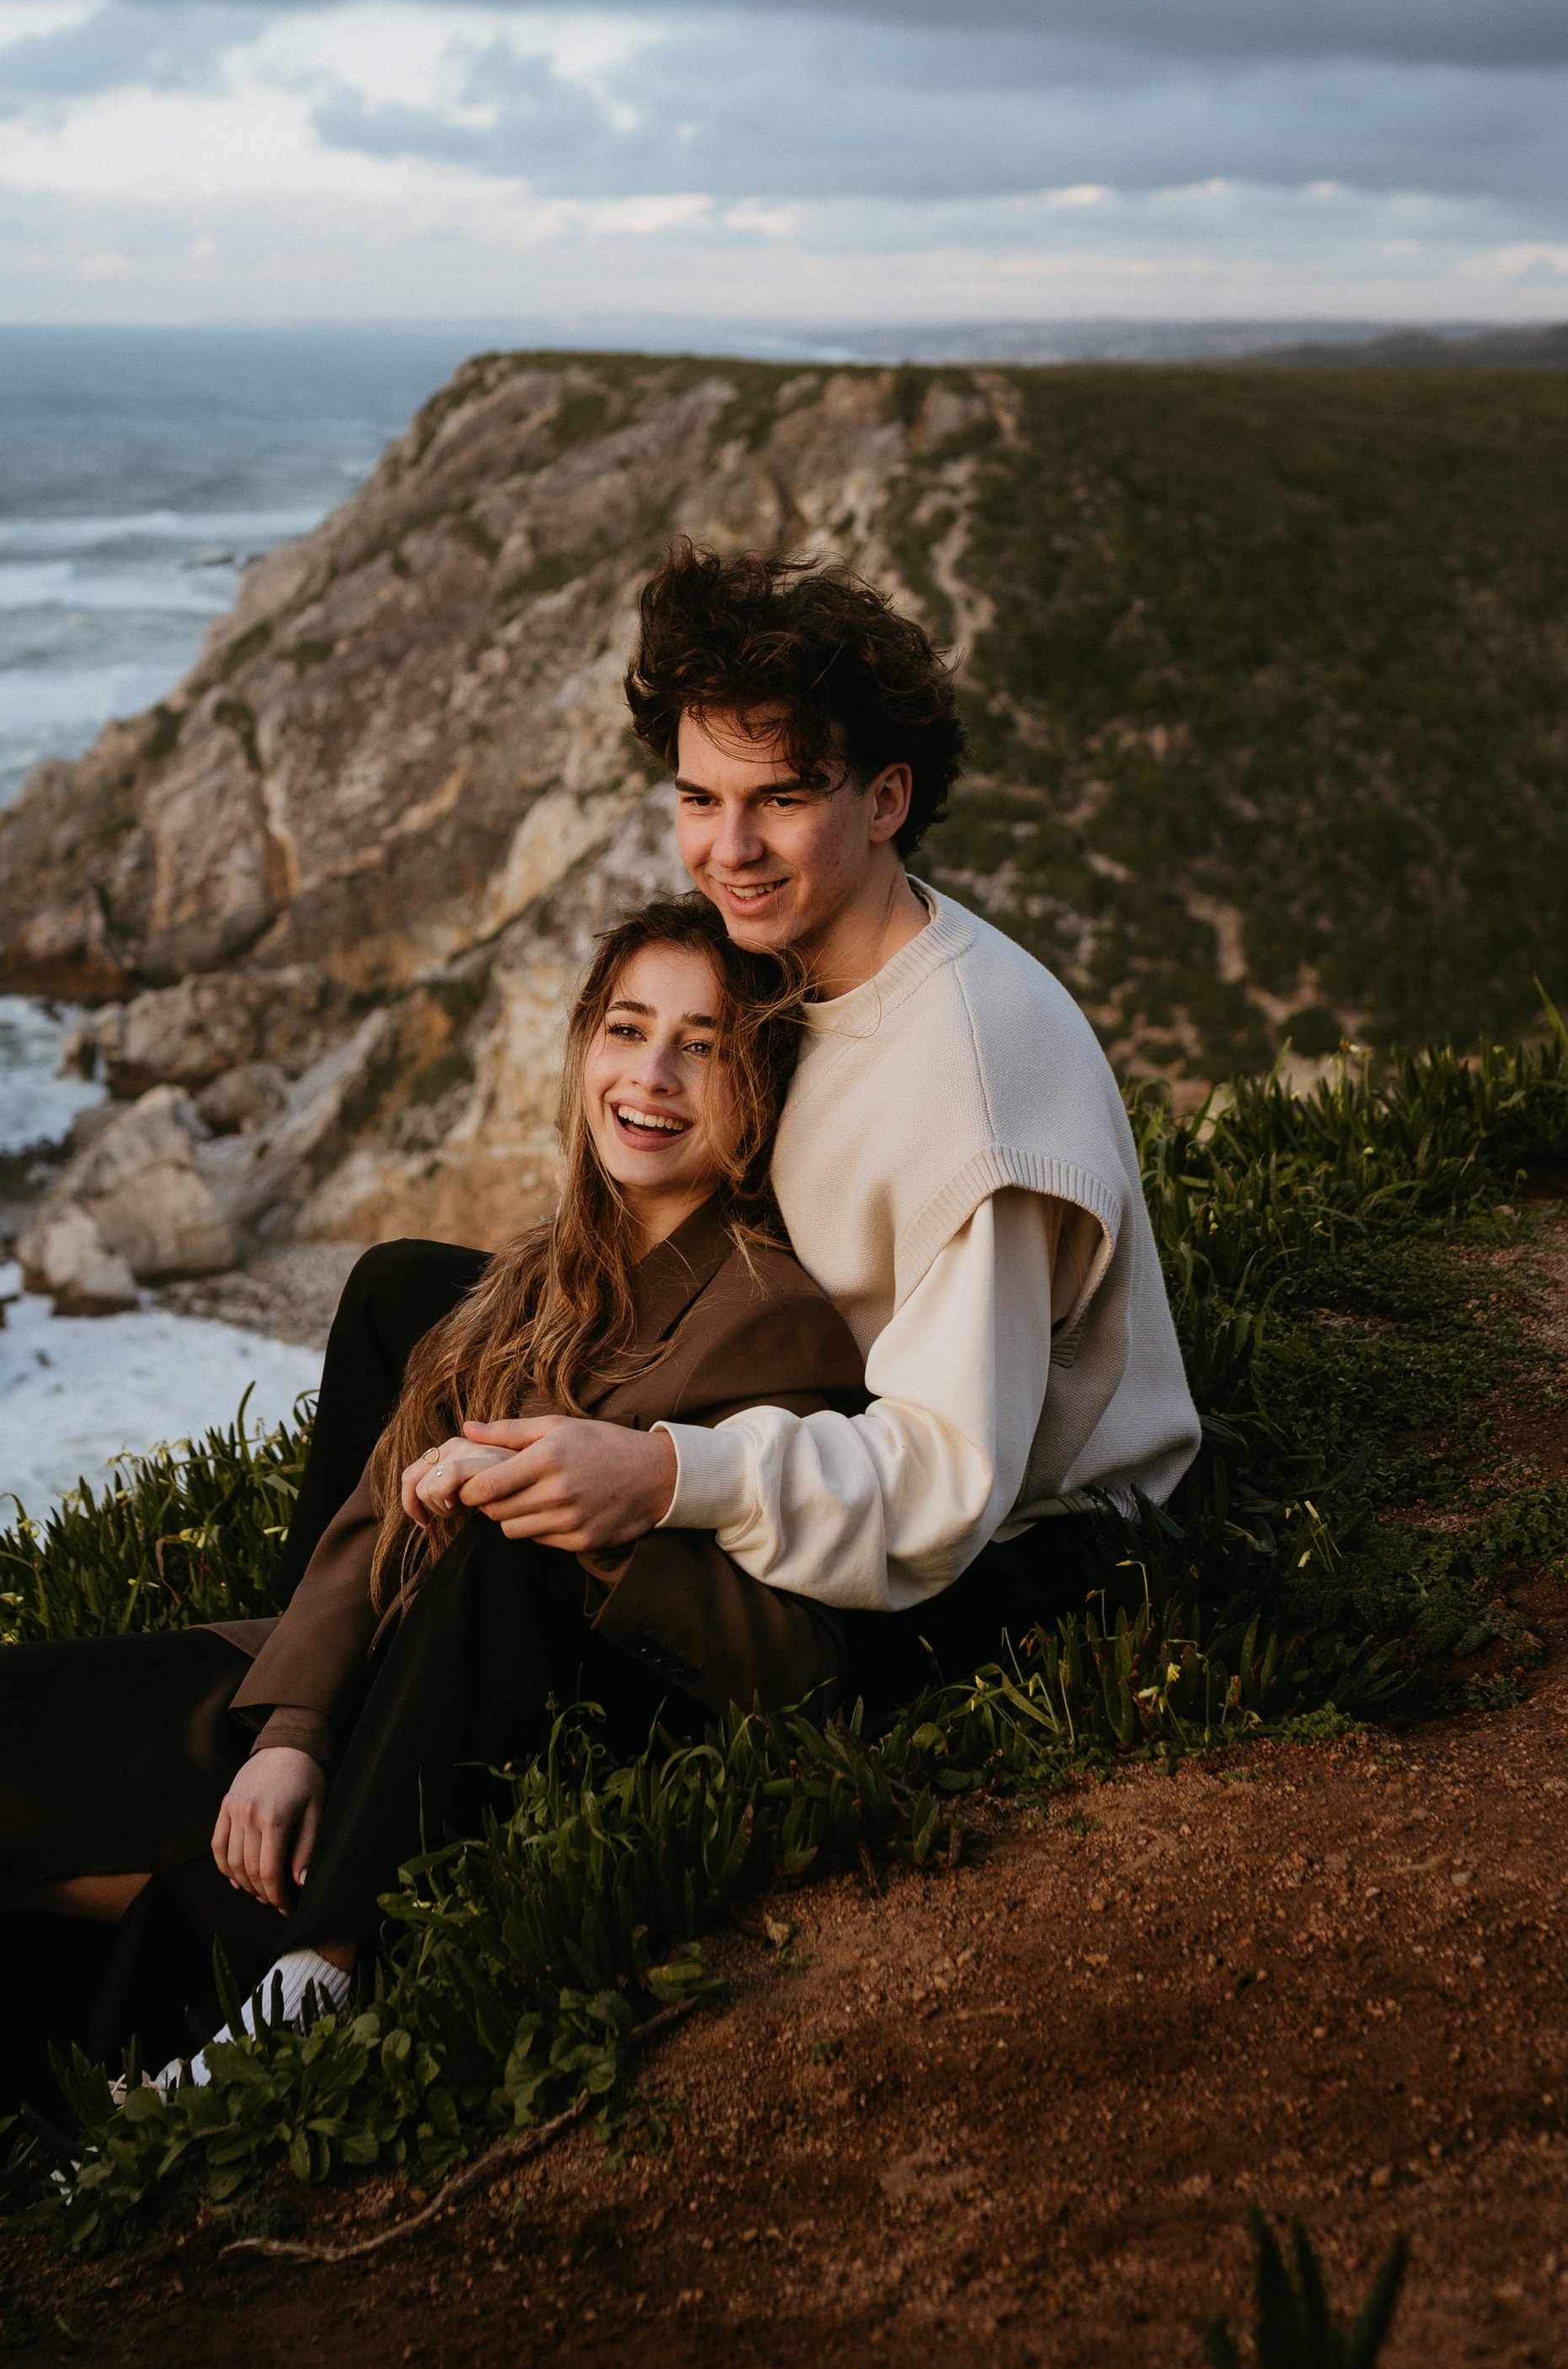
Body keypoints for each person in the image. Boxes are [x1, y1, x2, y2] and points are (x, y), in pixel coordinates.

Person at [0, 894, 893, 2280]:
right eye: (626, 1031)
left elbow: (791, 1650)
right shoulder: (538, 1277)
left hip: (475, 1773)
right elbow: (368, 1523)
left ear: (756, 1092)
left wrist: (590, 1516)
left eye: (704, 1047)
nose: (651, 1079)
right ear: (580, 1051)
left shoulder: (769, 1313)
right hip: (352, 1716)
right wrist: (294, 1734)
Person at [281, 538, 1199, 1668]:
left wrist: (665, 1471)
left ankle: (372, 1776)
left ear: (885, 800)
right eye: (700, 799)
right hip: (800, 1392)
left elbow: (949, 1480)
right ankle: (291, 1677)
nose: (731, 849)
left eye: (781, 798)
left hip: (1015, 1550)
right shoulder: (789, 955)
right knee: (400, 1299)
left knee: (519, 1537)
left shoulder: (974, 1087)